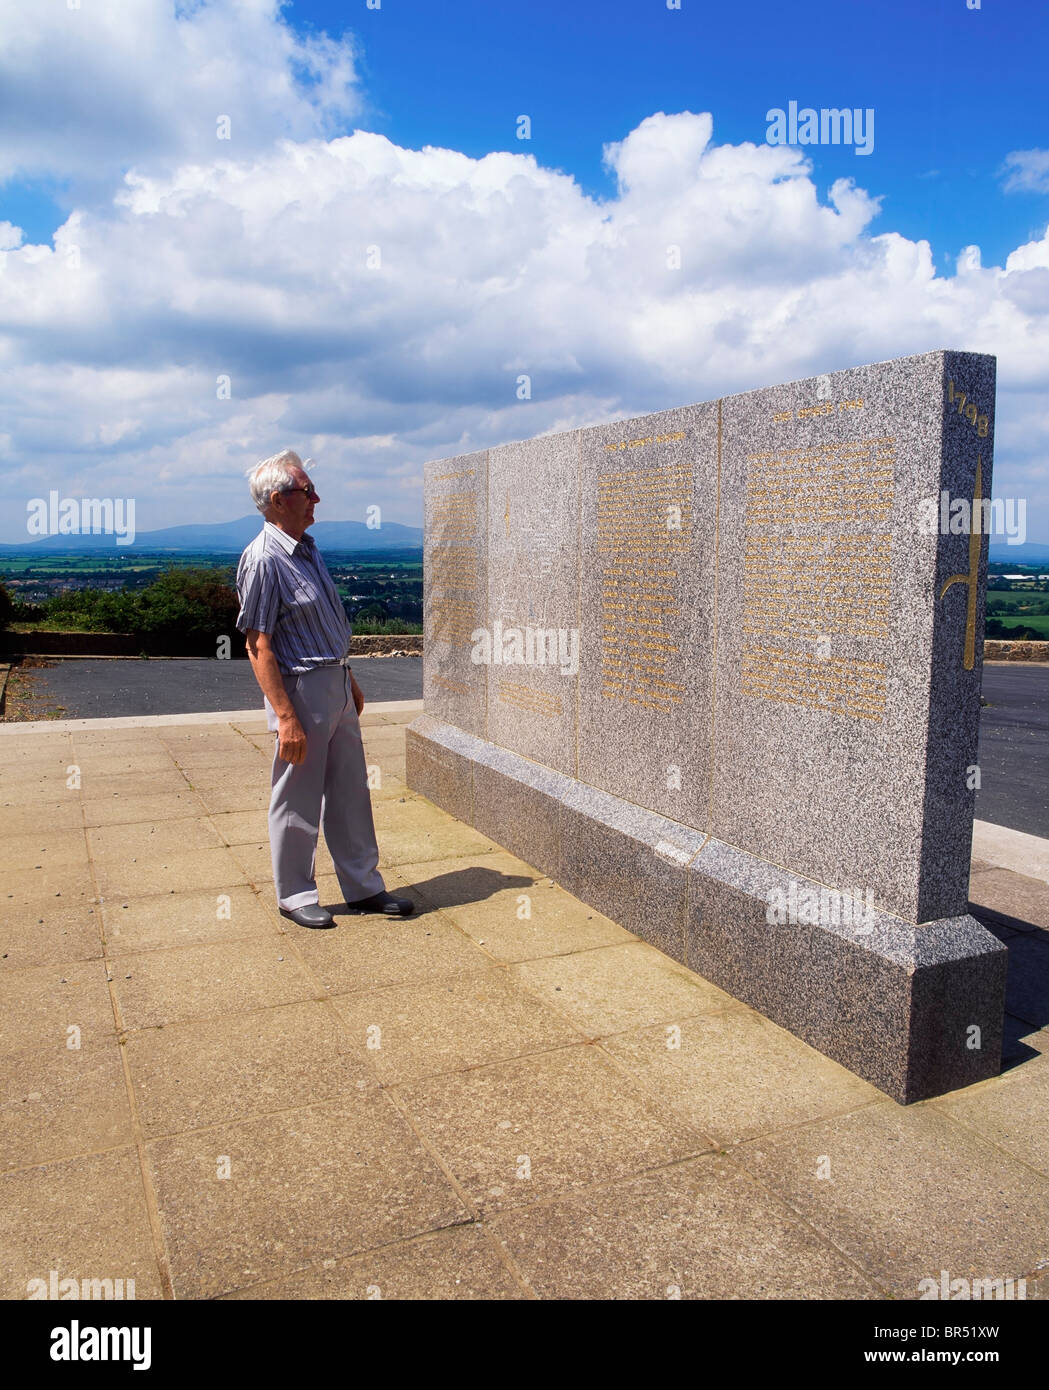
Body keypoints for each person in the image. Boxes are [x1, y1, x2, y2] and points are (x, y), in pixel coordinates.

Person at [234, 449, 413, 927]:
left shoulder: (307, 549)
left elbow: (322, 624)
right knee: (297, 794)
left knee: (351, 790)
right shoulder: (263, 559)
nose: (316, 499)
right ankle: (294, 895)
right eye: (306, 491)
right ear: (277, 499)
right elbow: (258, 644)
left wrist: (347, 676)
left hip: (334, 682)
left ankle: (363, 886)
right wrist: (286, 716)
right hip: (301, 691)